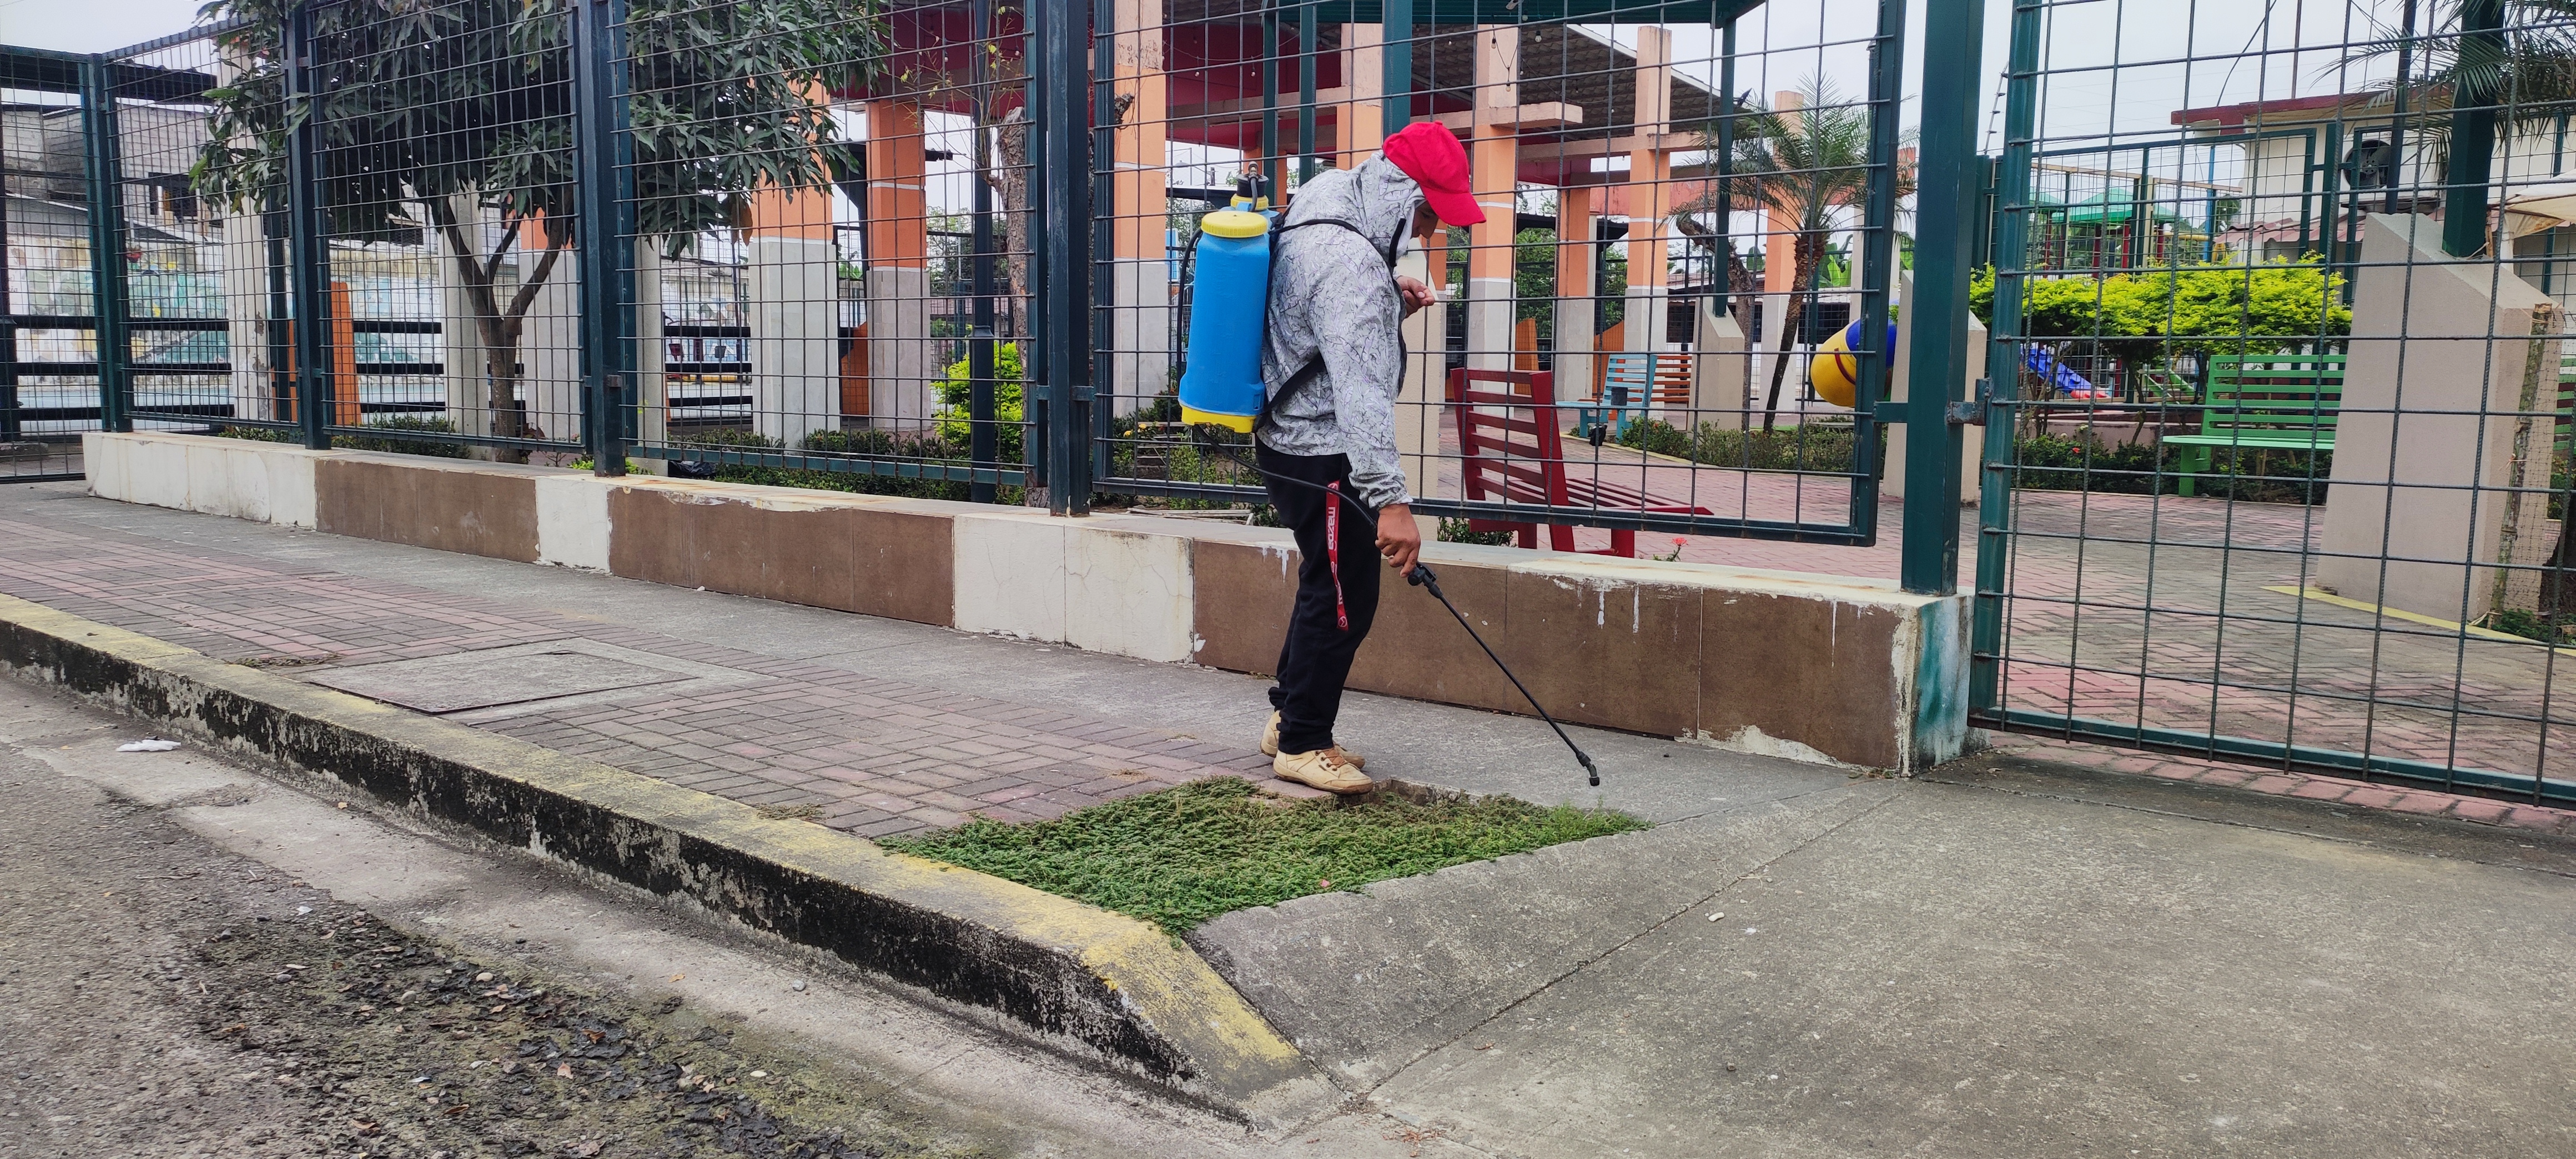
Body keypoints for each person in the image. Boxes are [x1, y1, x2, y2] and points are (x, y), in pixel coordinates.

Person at [1254, 122, 1485, 795]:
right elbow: (1359, 395)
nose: (1429, 233)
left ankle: (1288, 718)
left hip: (1285, 437)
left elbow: (1320, 325)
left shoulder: (1323, 198)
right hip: (1323, 452)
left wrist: (1389, 303)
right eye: (1428, 215)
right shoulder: (1354, 267)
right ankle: (1302, 742)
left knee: (1324, 584)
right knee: (1344, 598)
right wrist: (1391, 502)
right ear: (1402, 196)